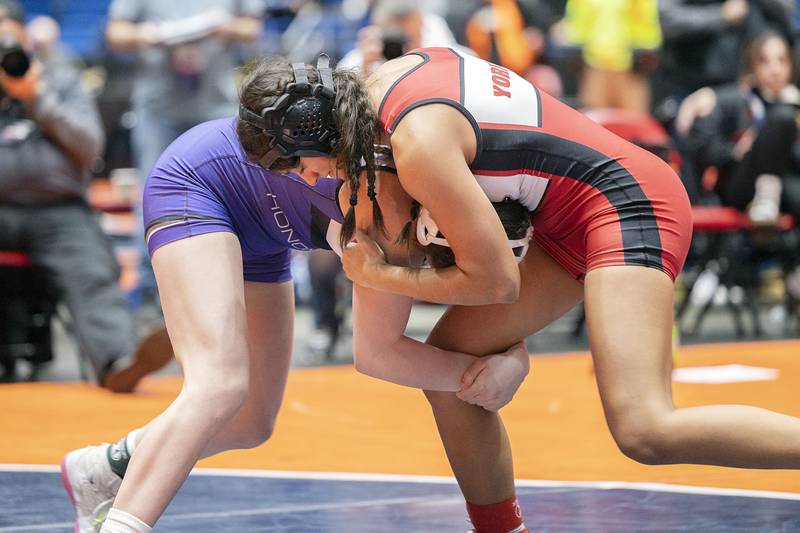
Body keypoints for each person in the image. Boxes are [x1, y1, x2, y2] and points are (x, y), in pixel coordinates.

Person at [235, 46, 800, 533]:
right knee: (451, 371)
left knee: (645, 428)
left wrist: (374, 273)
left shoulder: (415, 142)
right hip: (570, 211)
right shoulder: (388, 86)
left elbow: (497, 283)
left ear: (316, 132)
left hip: (627, 203)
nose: (309, 180)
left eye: (298, 165)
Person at [60, 57, 530, 532]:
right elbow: (379, 355)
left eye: (298, 165)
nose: (302, 177)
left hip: (268, 237)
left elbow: (485, 284)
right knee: (218, 384)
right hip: (199, 188)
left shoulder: (396, 175)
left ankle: (106, 467)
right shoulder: (370, 191)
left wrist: (507, 355)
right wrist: (484, 370)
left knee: (250, 423)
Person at [0, 0, 171, 392]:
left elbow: (89, 146)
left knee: (91, 270)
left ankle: (118, 362)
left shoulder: (58, 80)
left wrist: (36, 98)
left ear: (25, 37)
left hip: (57, 213)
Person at [104, 0, 266, 305]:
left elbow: (252, 27)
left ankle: (234, 283)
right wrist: (146, 35)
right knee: (153, 193)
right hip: (158, 109)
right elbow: (115, 33)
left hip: (214, 105)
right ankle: (153, 294)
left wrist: (224, 28)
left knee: (234, 193)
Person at [683, 32, 800, 225]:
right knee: (782, 117)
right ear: (752, 67)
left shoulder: (795, 102)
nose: (775, 69)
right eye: (765, 61)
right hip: (742, 184)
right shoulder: (734, 100)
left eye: (781, 60)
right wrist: (735, 150)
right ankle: (766, 199)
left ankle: (770, 200)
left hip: (786, 179)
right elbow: (703, 149)